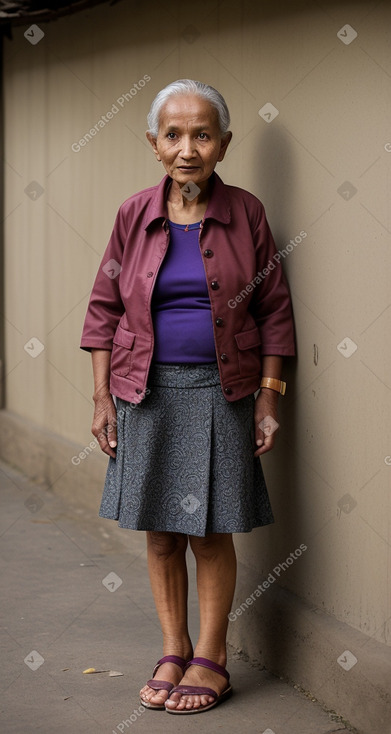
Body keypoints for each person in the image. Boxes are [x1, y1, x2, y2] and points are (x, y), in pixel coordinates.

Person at [80, 79, 295, 715]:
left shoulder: (247, 214)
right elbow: (102, 312)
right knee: (161, 532)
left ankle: (212, 656)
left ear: (223, 144)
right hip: (145, 392)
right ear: (154, 144)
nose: (187, 148)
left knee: (208, 533)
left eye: (202, 134)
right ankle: (172, 649)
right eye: (173, 135)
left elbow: (275, 313)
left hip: (222, 391)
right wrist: (101, 399)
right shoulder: (132, 217)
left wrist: (268, 397)